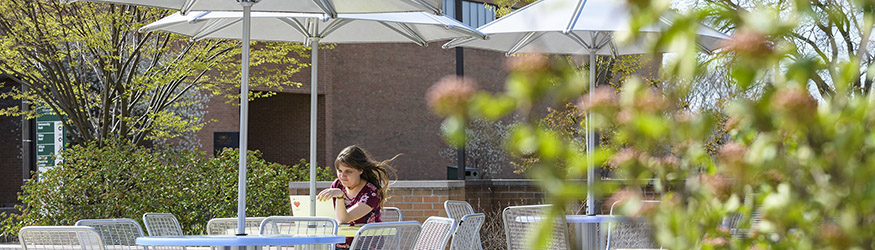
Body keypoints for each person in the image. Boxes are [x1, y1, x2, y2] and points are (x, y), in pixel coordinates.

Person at [317, 145, 398, 249]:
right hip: (340, 243)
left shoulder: (371, 193)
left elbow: (343, 219)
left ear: (360, 170)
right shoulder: (337, 185)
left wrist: (340, 197)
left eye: (348, 171)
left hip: (365, 245)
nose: (342, 176)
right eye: (339, 170)